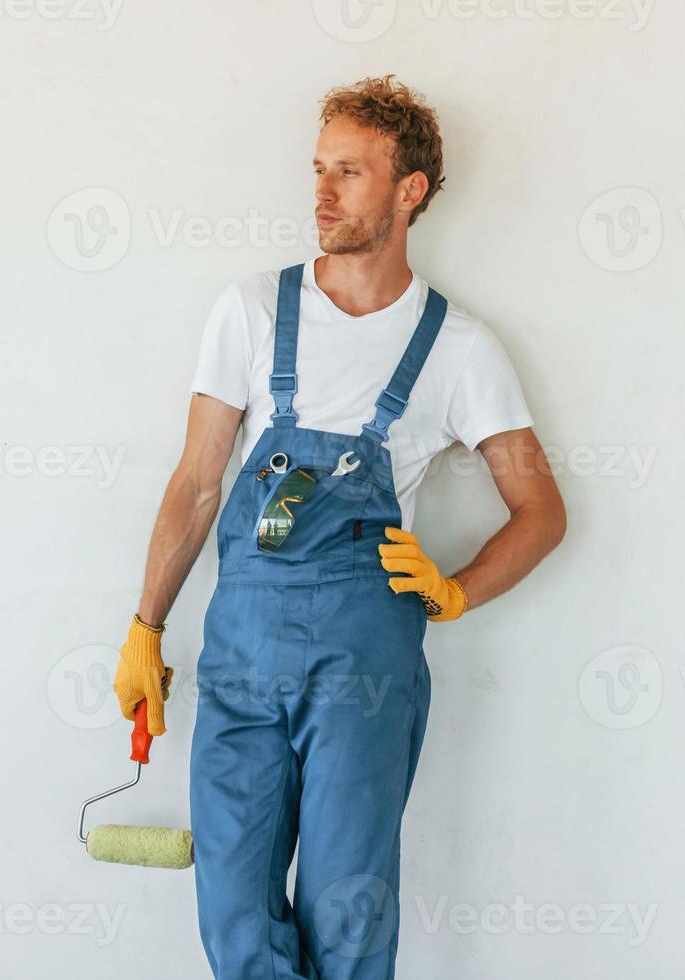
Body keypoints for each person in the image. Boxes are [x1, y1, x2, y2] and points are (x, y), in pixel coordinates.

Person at [111, 75, 567, 979]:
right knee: (235, 918)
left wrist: (456, 591)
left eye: (350, 174)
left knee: (346, 912)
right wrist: (146, 625)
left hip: (366, 660)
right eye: (319, 169)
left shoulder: (457, 347)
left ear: (410, 191)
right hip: (240, 655)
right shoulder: (251, 309)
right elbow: (200, 482)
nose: (320, 194)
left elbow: (542, 512)